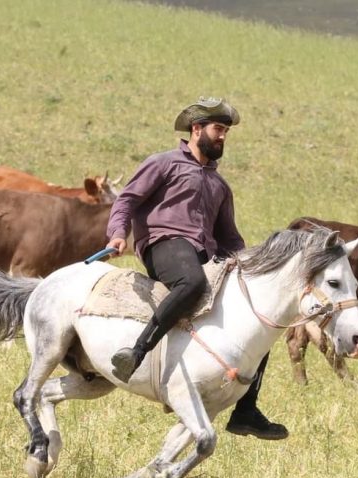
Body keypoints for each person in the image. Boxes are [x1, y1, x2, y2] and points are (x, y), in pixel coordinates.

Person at [104, 97, 288, 441]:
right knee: (192, 283)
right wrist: (117, 234)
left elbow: (230, 237)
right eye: (219, 129)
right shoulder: (164, 164)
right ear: (196, 129)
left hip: (206, 252)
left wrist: (254, 267)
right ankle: (136, 354)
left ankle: (246, 411)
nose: (223, 137)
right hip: (164, 244)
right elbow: (127, 200)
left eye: (226, 132)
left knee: (259, 321)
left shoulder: (219, 186)